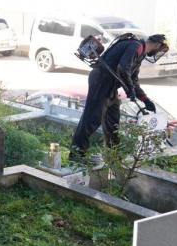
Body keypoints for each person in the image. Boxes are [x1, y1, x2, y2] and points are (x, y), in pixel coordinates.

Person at [70, 34, 169, 163]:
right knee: (92, 118)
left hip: (110, 85)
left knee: (113, 121)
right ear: (157, 45)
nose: (158, 52)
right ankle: (76, 155)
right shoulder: (136, 47)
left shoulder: (140, 53)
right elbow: (123, 68)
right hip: (101, 81)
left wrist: (145, 99)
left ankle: (113, 157)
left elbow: (133, 79)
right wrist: (130, 89)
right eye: (160, 49)